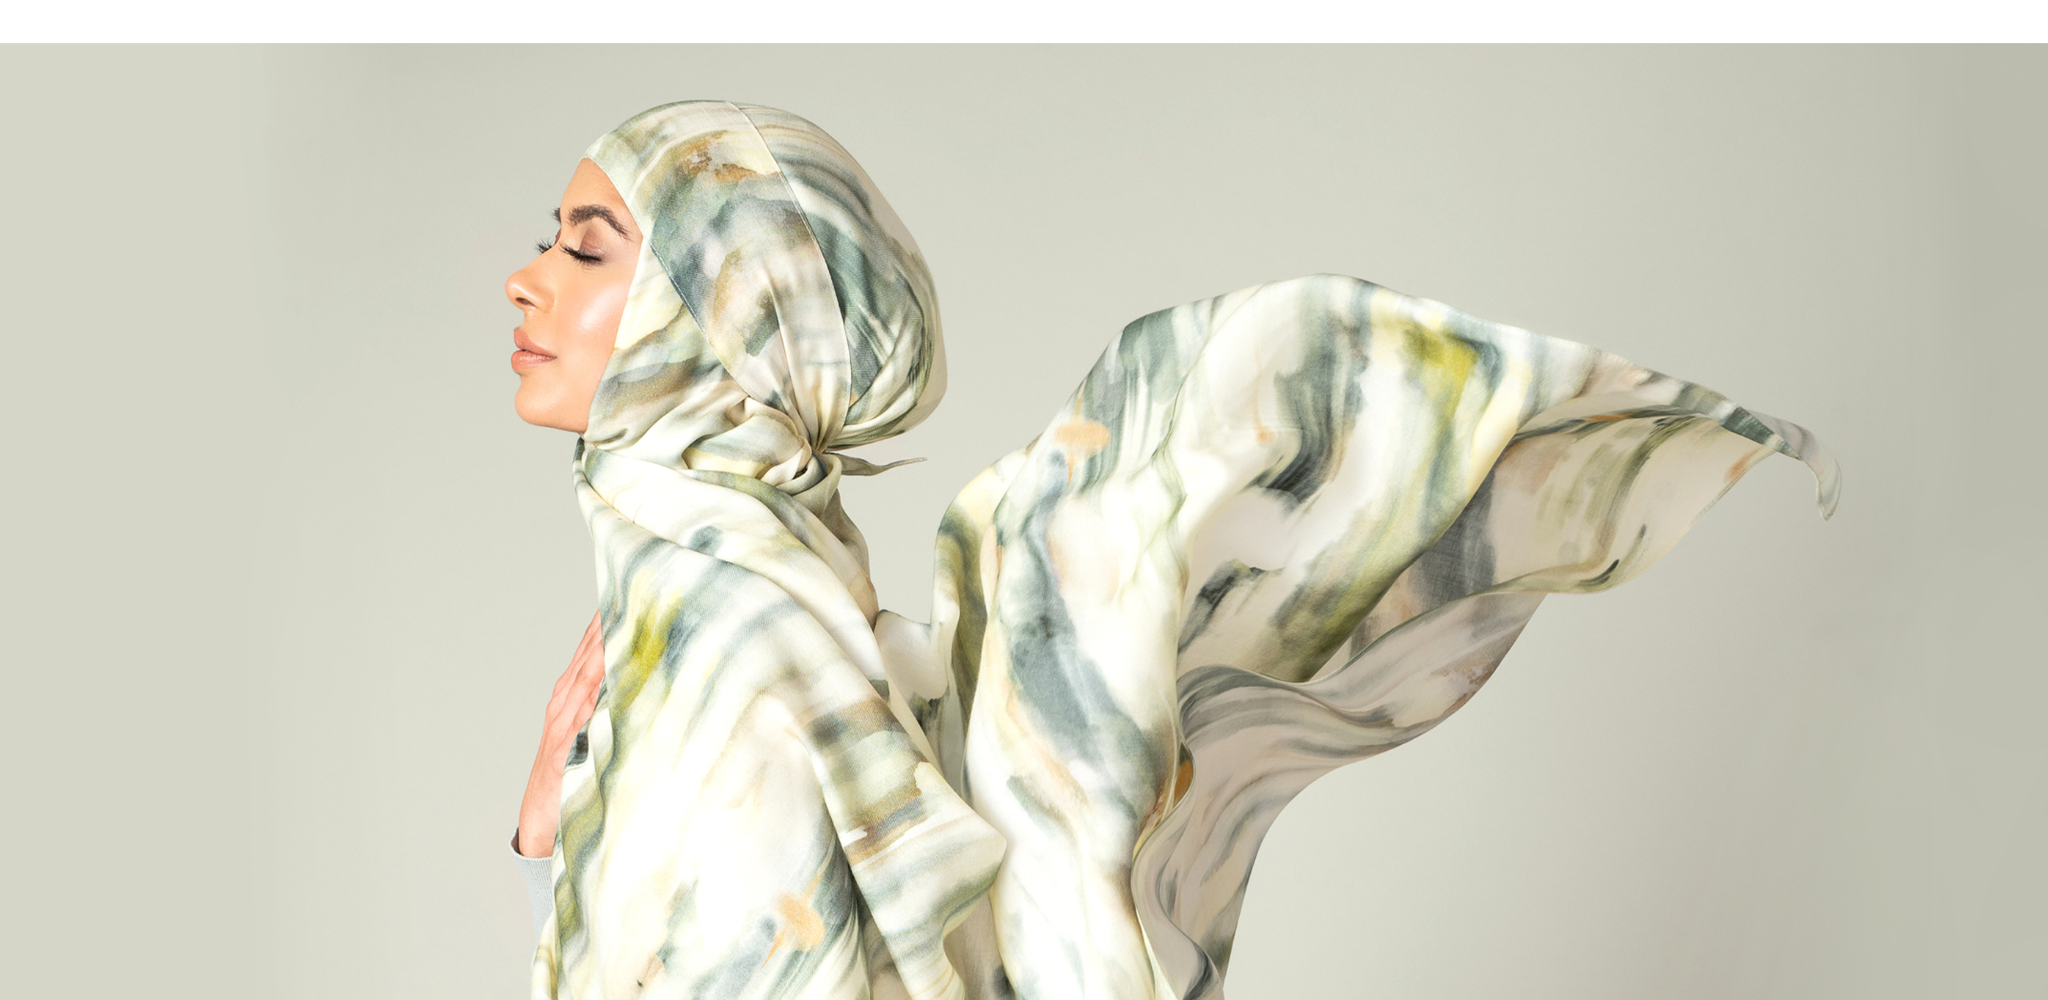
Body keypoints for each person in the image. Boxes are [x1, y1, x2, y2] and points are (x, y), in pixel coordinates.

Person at [500, 101, 1838, 1000]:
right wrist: (571, 818)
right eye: (550, 241)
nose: (527, 277)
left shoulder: (730, 614)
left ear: (734, 309)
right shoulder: (745, 585)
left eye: (590, 250)